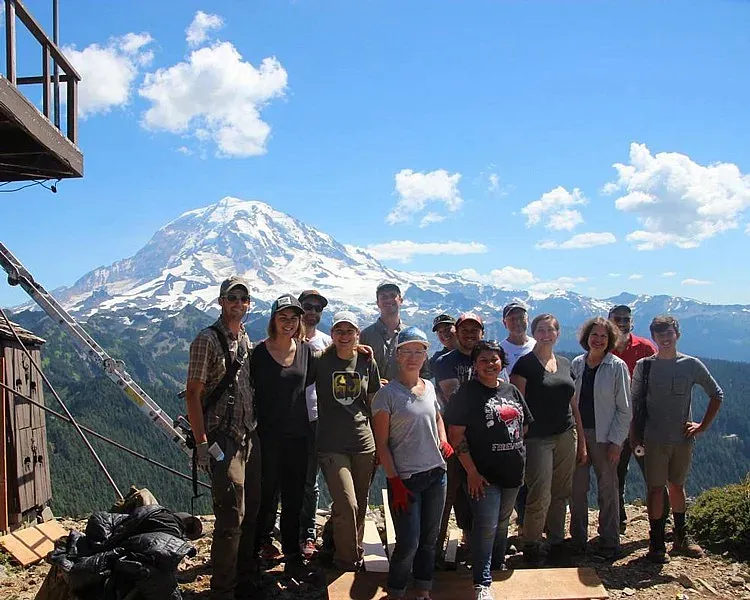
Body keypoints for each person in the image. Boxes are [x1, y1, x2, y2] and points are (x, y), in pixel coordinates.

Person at [185, 276, 261, 600]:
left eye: (244, 300)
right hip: (221, 440)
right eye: (233, 298)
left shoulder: (245, 339)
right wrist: (201, 443)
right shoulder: (207, 340)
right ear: (221, 301)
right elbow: (193, 393)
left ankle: (233, 574)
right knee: (231, 516)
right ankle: (223, 590)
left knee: (246, 513)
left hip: (246, 436)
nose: (238, 304)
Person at [631, 315, 723, 563]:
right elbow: (635, 403)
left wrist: (702, 426)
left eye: (669, 333)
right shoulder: (644, 366)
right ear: (654, 338)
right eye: (660, 334)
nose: (665, 338)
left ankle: (680, 538)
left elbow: (717, 394)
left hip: (682, 439)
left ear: (677, 335)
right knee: (655, 489)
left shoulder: (691, 364)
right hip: (653, 438)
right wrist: (634, 436)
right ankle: (657, 543)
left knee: (677, 487)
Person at [446, 341, 532, 600]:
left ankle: (497, 565)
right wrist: (471, 472)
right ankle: (482, 581)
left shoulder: (511, 391)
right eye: (483, 360)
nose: (489, 364)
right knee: (485, 526)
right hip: (482, 475)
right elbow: (455, 434)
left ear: (501, 363)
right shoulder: (466, 394)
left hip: (513, 472)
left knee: (502, 523)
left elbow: (524, 425)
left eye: (494, 359)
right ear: (475, 365)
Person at [372, 327, 452, 600]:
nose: (413, 357)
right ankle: (396, 590)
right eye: (407, 351)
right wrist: (394, 481)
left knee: (430, 540)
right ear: (397, 355)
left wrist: (443, 440)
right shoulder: (386, 396)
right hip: (406, 478)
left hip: (436, 473)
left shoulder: (428, 387)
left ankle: (422, 590)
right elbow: (381, 443)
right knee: (408, 542)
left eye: (419, 352)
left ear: (425, 356)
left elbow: (438, 417)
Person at [510, 313, 586, 567]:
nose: (545, 335)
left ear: (557, 334)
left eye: (549, 330)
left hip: (566, 433)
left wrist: (582, 441)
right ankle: (532, 543)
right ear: (534, 334)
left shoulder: (565, 364)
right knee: (539, 492)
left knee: (561, 492)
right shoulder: (524, 365)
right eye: (540, 330)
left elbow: (574, 406)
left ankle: (555, 541)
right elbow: (517, 407)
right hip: (537, 439)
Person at [252, 294, 317, 577]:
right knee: (266, 494)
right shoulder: (259, 353)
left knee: (293, 497)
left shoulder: (306, 352)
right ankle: (259, 545)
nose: (289, 323)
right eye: (283, 317)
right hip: (266, 437)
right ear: (273, 320)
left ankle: (292, 551)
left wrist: (360, 351)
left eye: (294, 318)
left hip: (299, 438)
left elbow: (328, 372)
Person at [314, 311, 381, 571]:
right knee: (347, 503)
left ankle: (355, 550)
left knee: (361, 503)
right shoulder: (320, 361)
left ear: (357, 334)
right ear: (332, 335)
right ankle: (347, 561)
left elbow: (374, 402)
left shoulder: (366, 361)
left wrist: (380, 442)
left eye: (349, 331)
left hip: (364, 441)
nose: (344, 336)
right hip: (332, 443)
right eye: (339, 331)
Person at [569, 317, 631, 559]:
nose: (598, 340)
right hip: (579, 435)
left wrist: (617, 442)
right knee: (577, 490)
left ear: (610, 340)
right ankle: (578, 540)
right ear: (586, 338)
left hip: (606, 437)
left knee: (608, 490)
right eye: (594, 335)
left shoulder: (617, 367)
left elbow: (625, 409)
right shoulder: (577, 364)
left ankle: (609, 542)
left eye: (603, 336)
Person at [608, 304, 663, 534]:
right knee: (615, 476)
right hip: (615, 424)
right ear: (609, 321)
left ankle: (661, 525)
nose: (622, 323)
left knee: (655, 476)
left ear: (632, 323)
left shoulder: (646, 347)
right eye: (617, 319)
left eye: (626, 319)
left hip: (644, 424)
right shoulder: (603, 347)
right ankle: (617, 521)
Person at [433, 312, 484, 557]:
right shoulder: (445, 361)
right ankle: (433, 549)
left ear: (482, 332)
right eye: (465, 329)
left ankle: (474, 545)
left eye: (475, 329)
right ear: (457, 331)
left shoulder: (486, 358)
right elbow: (454, 398)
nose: (470, 334)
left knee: (476, 494)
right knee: (447, 494)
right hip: (454, 437)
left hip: (482, 440)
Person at [297, 289, 333, 558]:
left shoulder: (328, 343)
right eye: (307, 306)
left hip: (319, 419)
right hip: (291, 419)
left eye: (317, 308)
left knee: (311, 481)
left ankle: (307, 534)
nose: (312, 311)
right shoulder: (285, 339)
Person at [498, 301, 535, 537]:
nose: (517, 321)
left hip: (540, 418)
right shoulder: (499, 350)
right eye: (512, 318)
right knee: (517, 474)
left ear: (527, 319)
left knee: (535, 476)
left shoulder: (537, 345)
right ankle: (514, 524)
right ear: (504, 322)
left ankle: (530, 526)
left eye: (521, 317)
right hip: (508, 422)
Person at [360, 282, 407, 383]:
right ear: (378, 303)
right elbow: (357, 368)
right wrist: (374, 383)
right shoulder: (365, 335)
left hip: (405, 395)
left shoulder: (410, 335)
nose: (388, 300)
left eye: (392, 296)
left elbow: (424, 371)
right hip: (373, 396)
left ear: (401, 301)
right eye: (384, 297)